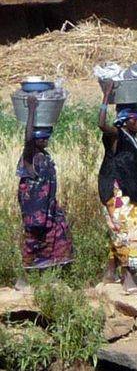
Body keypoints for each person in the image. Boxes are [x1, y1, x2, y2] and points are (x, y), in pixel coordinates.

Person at [15, 96, 74, 290]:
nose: (45, 140)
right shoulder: (29, 157)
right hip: (35, 212)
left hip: (48, 209)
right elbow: (28, 139)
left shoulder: (45, 156)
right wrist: (32, 109)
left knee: (59, 236)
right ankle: (23, 279)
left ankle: (53, 277)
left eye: (47, 137)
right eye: (42, 137)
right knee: (33, 242)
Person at [98, 82, 137, 294]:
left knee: (130, 233)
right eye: (133, 117)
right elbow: (101, 124)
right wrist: (107, 95)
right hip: (117, 192)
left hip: (135, 192)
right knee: (123, 233)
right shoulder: (116, 135)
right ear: (123, 119)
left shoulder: (133, 135)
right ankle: (127, 278)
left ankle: (110, 273)